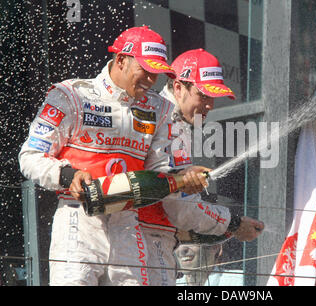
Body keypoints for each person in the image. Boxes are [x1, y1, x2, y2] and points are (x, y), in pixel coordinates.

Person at [18, 26, 209, 286]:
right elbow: (29, 156)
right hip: (78, 218)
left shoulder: (161, 109)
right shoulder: (72, 95)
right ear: (121, 60)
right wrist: (67, 175)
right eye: (146, 70)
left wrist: (183, 177)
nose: (152, 81)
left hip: (128, 221)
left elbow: (160, 170)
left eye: (157, 74)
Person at [137, 48, 265, 285]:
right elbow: (182, 208)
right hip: (138, 243)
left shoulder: (171, 120)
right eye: (203, 95)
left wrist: (229, 227)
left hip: (149, 241)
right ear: (178, 87)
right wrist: (234, 224)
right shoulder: (164, 119)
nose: (209, 105)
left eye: (213, 97)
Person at [175, 242, 243, 286]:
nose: (181, 249)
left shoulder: (241, 281)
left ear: (215, 246)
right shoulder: (169, 283)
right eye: (177, 242)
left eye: (191, 241)